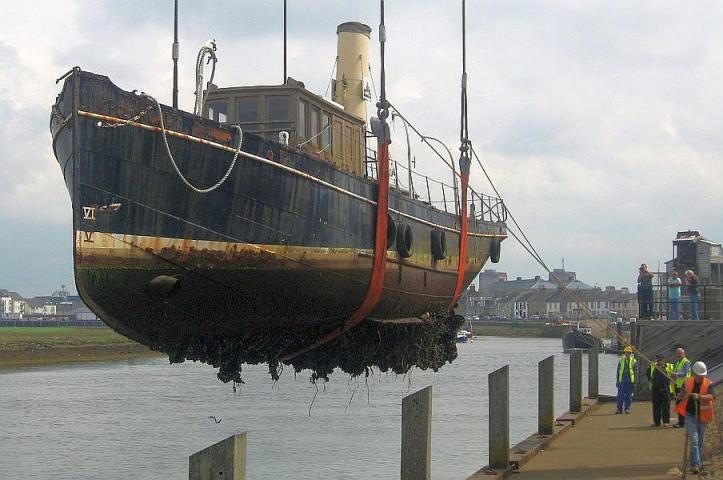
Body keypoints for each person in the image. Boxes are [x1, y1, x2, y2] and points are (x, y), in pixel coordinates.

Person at [675, 361, 716, 474]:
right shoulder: (687, 382)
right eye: (699, 374)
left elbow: (712, 396)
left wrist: (700, 396)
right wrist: (680, 396)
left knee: (700, 441)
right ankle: (696, 464)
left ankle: (697, 462)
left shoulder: (709, 384)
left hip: (703, 416)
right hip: (691, 415)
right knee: (694, 439)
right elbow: (682, 394)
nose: (700, 376)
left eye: (702, 375)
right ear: (694, 373)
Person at [646, 353, 674, 427]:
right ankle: (657, 422)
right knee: (656, 406)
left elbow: (673, 376)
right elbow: (648, 373)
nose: (658, 360)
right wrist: (651, 380)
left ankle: (666, 421)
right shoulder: (653, 366)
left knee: (666, 406)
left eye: (660, 359)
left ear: (663, 360)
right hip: (655, 388)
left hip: (665, 388)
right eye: (658, 359)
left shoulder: (669, 366)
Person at [672, 347, 692, 428]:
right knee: (679, 403)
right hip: (679, 385)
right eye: (677, 354)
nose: (678, 355)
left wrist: (676, 374)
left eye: (680, 354)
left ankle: (681, 422)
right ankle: (681, 421)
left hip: (684, 385)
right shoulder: (678, 362)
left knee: (680, 403)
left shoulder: (686, 362)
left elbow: (685, 373)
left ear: (683, 354)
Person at [616, 345, 637, 414]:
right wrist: (617, 381)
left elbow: (636, 372)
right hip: (622, 381)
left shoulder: (634, 361)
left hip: (630, 381)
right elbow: (618, 372)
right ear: (624, 353)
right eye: (626, 352)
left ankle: (627, 408)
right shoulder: (621, 360)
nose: (627, 354)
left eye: (628, 352)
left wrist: (635, 382)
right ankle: (619, 409)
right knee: (620, 396)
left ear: (630, 353)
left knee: (628, 396)